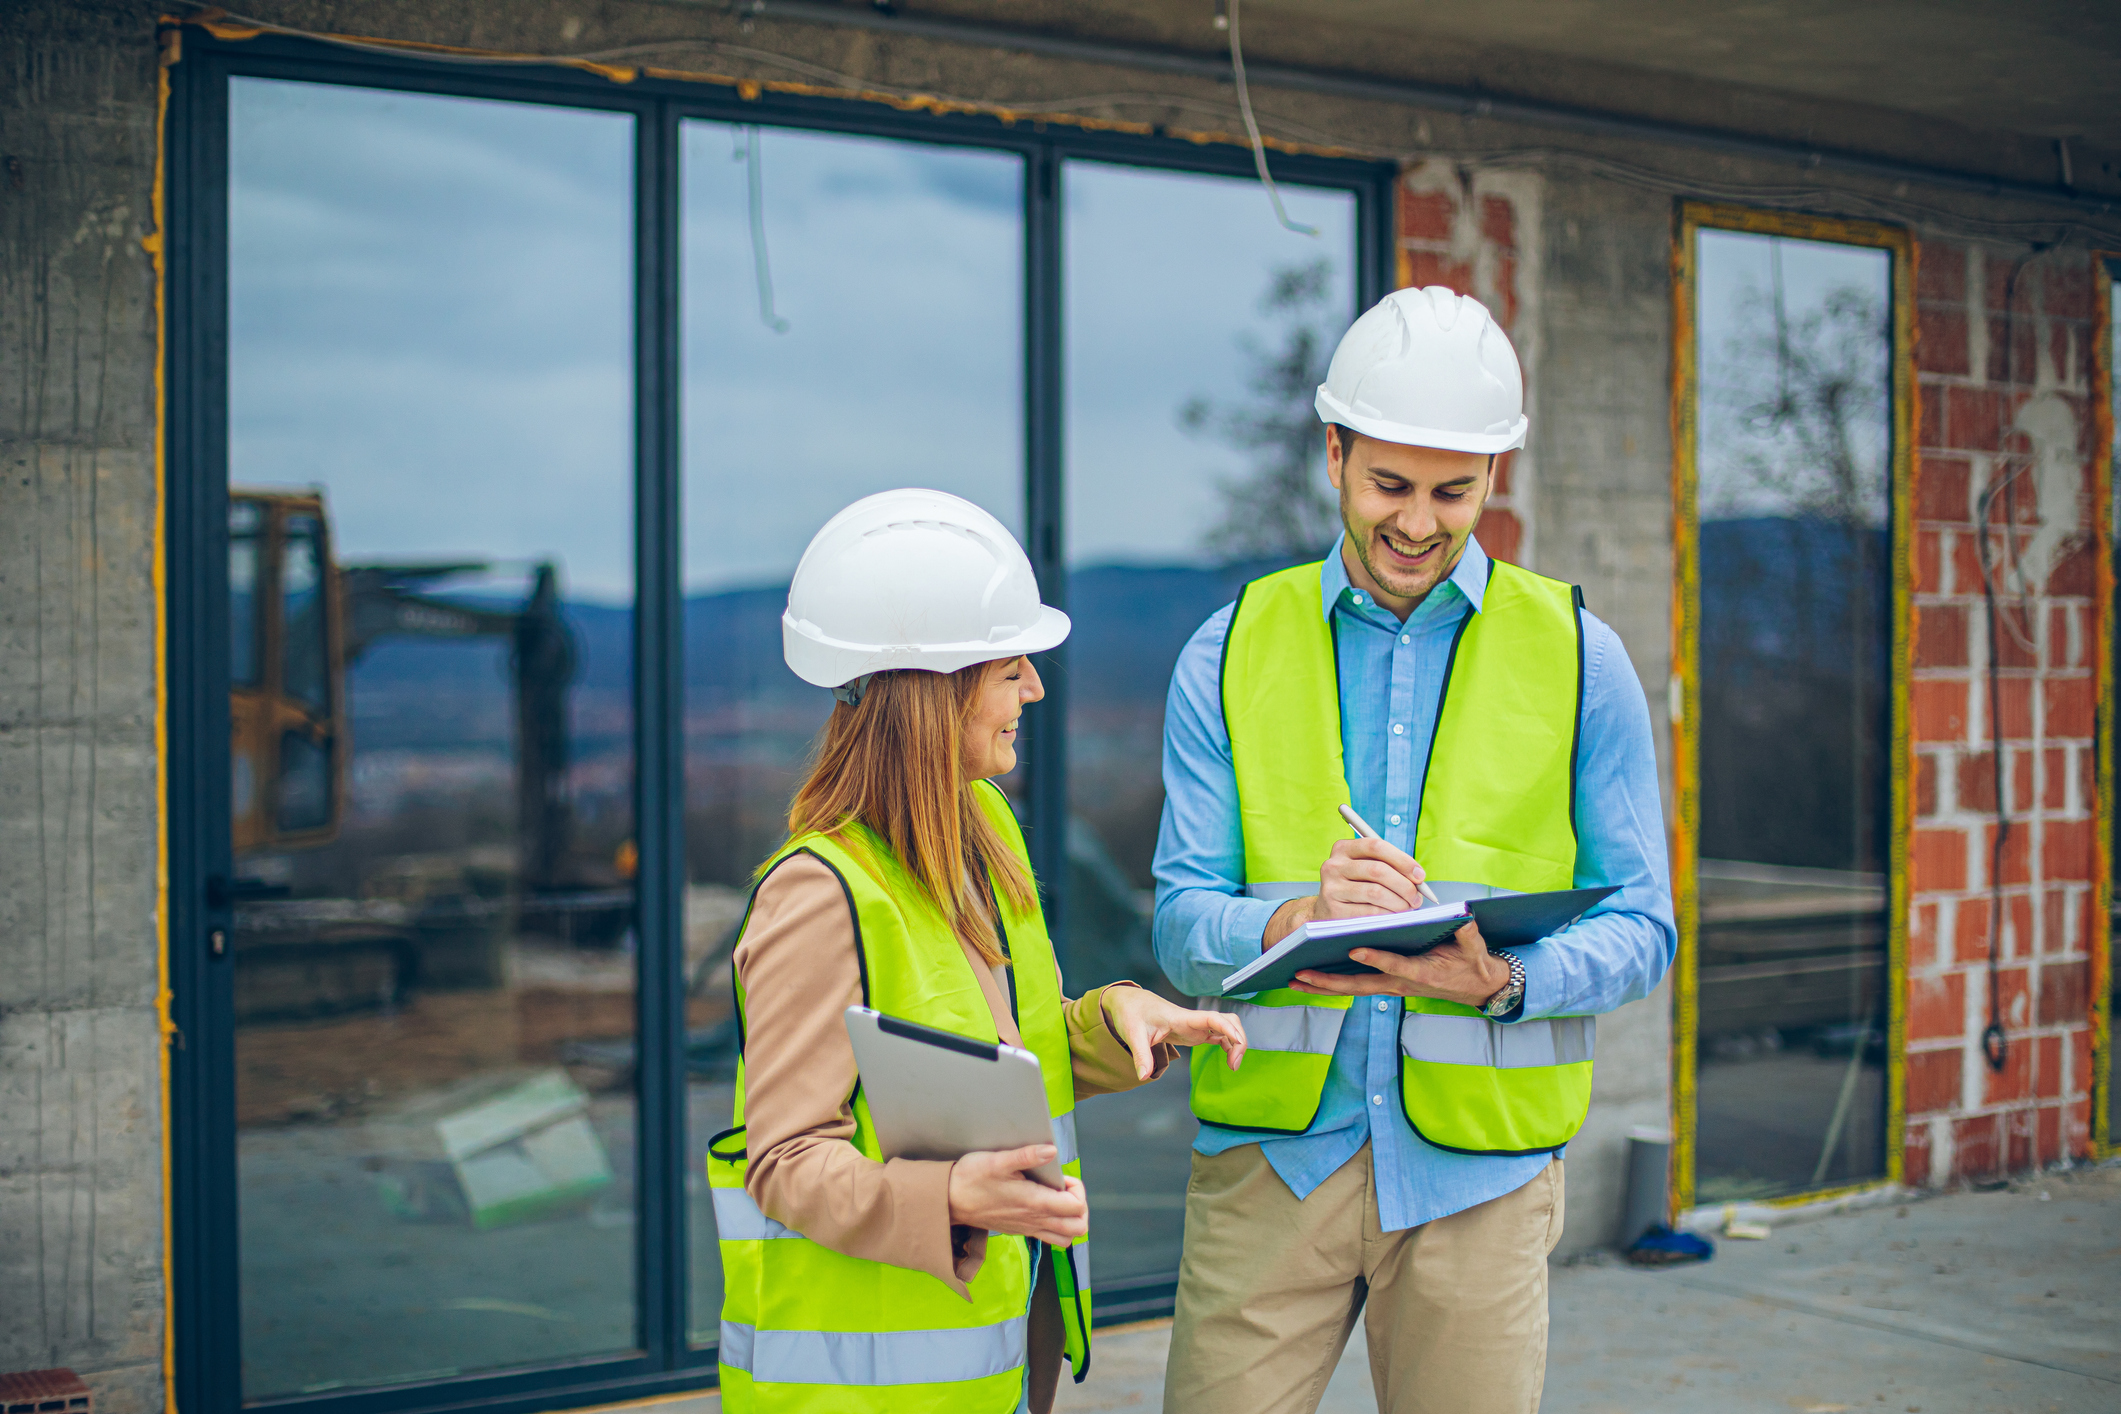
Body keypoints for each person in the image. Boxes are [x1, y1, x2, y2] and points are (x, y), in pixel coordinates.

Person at [1153, 286, 1676, 1413]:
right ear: (1334, 454)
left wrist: (1503, 979)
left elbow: (1646, 927)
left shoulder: (1584, 659)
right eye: (1390, 484)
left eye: (1455, 490)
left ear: (1495, 473)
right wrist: (1292, 922)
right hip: (1271, 1169)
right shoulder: (1227, 648)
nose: (1420, 522)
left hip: (1478, 1185)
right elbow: (1181, 923)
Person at [708, 488, 1246, 1413]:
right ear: (934, 689)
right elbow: (785, 1159)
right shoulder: (817, 892)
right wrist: (950, 1196)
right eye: (1011, 669)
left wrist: (1115, 1020)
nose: (1034, 690)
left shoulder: (980, 826)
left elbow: (1000, 1064)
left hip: (996, 1350)